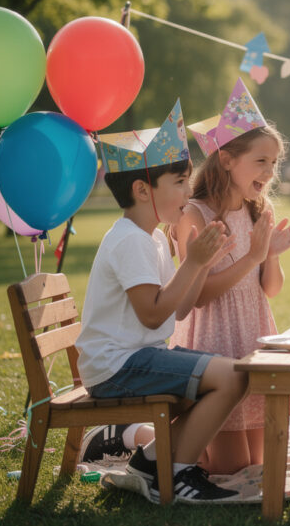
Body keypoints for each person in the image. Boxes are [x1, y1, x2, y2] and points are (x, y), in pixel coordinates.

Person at [75, 102, 248, 503]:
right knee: (232, 376)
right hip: (119, 366)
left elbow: (180, 308)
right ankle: (171, 472)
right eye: (180, 182)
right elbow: (153, 314)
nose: (189, 193)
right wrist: (193, 262)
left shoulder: (150, 237)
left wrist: (201, 265)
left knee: (229, 374)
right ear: (142, 190)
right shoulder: (131, 240)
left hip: (136, 358)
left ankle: (151, 461)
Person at [170, 79, 290, 475]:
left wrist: (271, 256)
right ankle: (140, 438)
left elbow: (271, 290)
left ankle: (163, 437)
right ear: (226, 159)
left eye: (274, 162)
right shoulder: (195, 215)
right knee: (231, 469)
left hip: (252, 336)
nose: (271, 171)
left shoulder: (258, 211)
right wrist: (251, 257)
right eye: (261, 161)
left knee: (256, 467)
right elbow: (195, 298)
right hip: (211, 342)